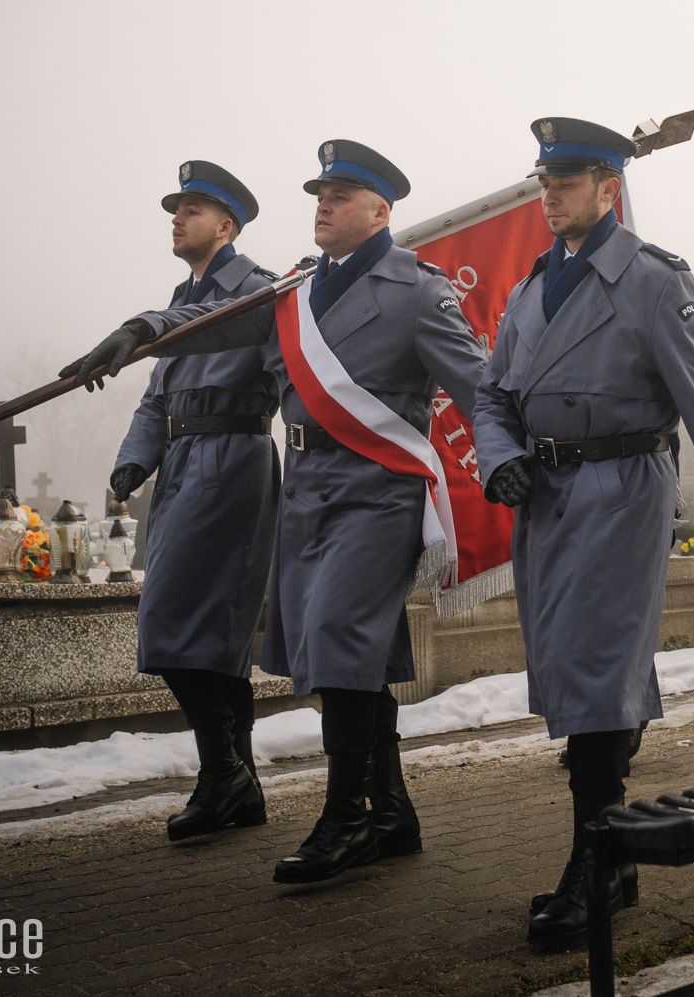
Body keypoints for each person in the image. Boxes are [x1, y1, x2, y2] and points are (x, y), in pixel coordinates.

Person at [64, 140, 486, 886]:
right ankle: (391, 812)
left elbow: (480, 386)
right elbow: (214, 323)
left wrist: (517, 459)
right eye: (319, 193)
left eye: (341, 194)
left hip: (379, 487)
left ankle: (344, 817)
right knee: (351, 656)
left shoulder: (417, 289)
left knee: (336, 642)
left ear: (381, 211)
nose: (322, 204)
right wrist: (139, 330)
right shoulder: (294, 290)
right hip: (309, 488)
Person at [470, 118, 694, 949]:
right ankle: (610, 858)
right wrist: (498, 458)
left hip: (620, 492)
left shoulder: (652, 280)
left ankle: (598, 857)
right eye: (545, 182)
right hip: (544, 497)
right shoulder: (530, 286)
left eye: (567, 182)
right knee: (570, 669)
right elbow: (492, 395)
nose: (550, 196)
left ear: (610, 189)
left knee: (599, 670)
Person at [104, 161, 280, 843]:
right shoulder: (184, 293)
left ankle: (223, 772)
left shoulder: (256, 290)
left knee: (174, 622)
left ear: (227, 226)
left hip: (231, 459)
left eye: (193, 208)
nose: (177, 218)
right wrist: (133, 458)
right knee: (210, 639)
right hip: (181, 463)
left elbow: (278, 369)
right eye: (176, 209)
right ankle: (237, 783)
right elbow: (157, 397)